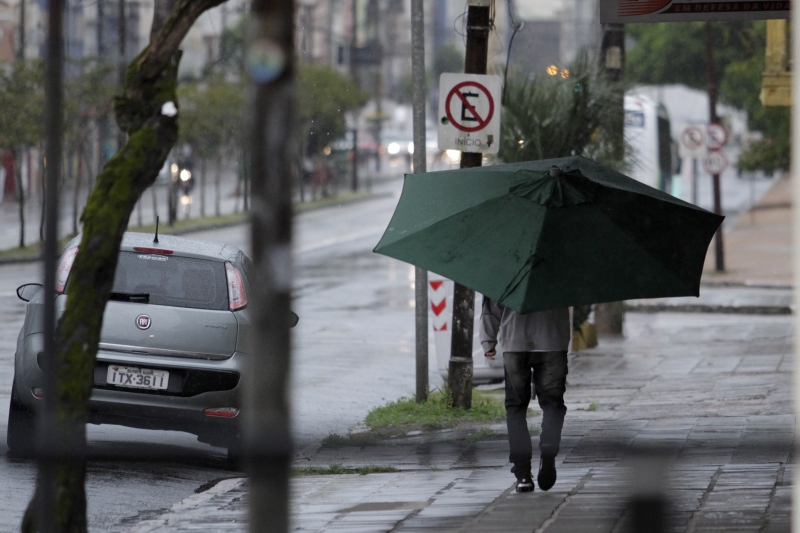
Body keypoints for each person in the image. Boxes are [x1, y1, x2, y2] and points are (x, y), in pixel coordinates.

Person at [480, 297, 571, 493]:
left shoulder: (506, 268)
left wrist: (488, 340)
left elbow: (492, 304)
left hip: (515, 342)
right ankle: (549, 446)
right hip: (553, 341)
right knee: (553, 403)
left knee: (516, 407)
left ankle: (522, 475)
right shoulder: (561, 268)